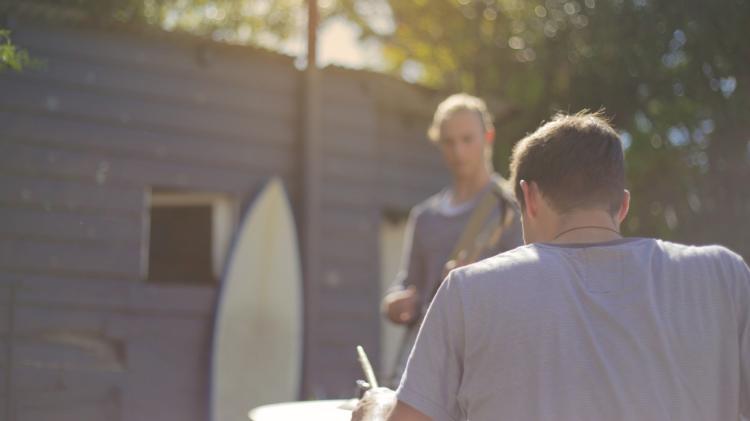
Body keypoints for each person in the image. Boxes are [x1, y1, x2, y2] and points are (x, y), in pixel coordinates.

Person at [355, 111, 750, 421]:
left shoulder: (467, 291)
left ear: (529, 198)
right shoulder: (725, 276)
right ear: (623, 205)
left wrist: (375, 407)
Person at [381, 93, 523, 385]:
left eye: (467, 139)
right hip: (426, 369)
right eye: (449, 142)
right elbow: (408, 284)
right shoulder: (425, 217)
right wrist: (395, 305)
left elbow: (527, 292)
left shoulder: (511, 209)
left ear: (488, 136)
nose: (458, 151)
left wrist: (472, 285)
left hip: (485, 370)